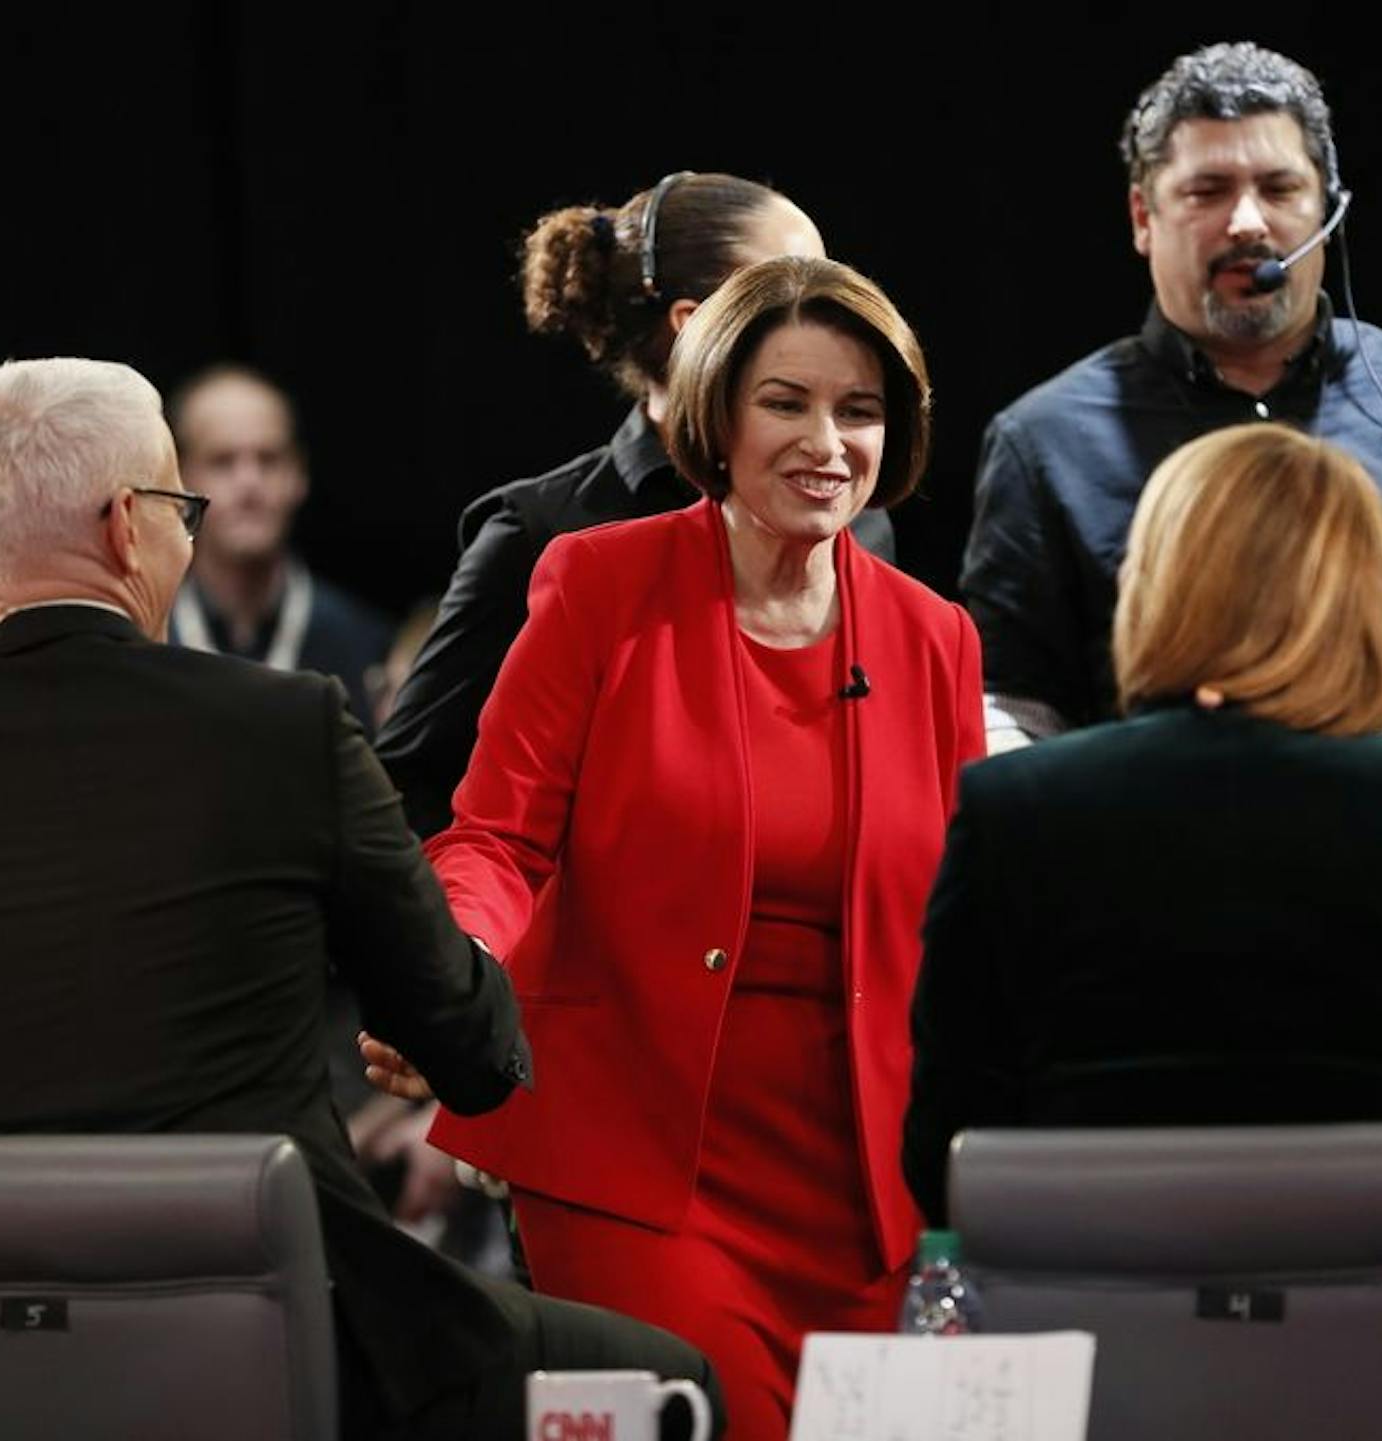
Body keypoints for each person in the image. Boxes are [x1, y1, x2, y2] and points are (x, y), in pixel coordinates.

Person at [0, 358, 718, 1441]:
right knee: (672, 1378)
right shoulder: (290, 729)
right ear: (130, 525)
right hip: (300, 1340)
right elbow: (468, 1043)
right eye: (184, 506)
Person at [365, 256, 985, 1439]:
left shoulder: (934, 637)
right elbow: (496, 832)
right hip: (640, 1162)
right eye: (786, 402)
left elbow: (963, 913)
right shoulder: (599, 581)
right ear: (715, 414)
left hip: (863, 1175)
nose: (828, 442)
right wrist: (456, 969)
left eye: (859, 411)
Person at [961, 41, 1382, 806]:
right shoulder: (1045, 440)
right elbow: (998, 695)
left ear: (1327, 208)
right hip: (1153, 893)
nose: (1247, 222)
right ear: (1142, 217)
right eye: (1207, 191)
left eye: (1279, 187)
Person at [905, 423, 1382, 1225]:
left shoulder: (1013, 802)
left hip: (1083, 1302)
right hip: (1370, 1305)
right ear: (1361, 597)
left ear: (1158, 581)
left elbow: (943, 1148)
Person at [372, 171, 894, 839]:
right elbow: (408, 788)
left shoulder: (857, 519)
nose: (830, 317)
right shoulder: (540, 534)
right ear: (694, 326)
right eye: (789, 290)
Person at [166, 363, 392, 728]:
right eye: (222, 461)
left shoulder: (363, 649)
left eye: (269, 459)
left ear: (298, 474)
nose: (249, 483)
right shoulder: (146, 645)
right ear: (180, 479)